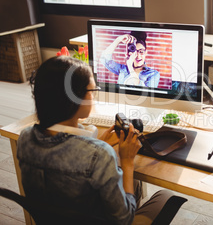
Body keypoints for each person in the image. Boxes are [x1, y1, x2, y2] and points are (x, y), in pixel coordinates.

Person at [17, 56, 176, 225]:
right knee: (166, 196)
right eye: (92, 91)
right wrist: (127, 160)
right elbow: (124, 220)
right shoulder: (100, 155)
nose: (94, 97)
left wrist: (100, 145)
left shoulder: (25, 138)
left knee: (131, 183)